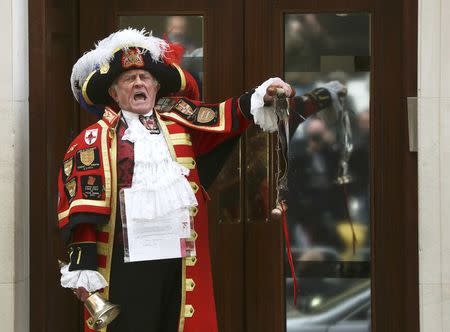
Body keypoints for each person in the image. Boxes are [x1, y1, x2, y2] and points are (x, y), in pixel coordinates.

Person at [57, 28, 345, 332]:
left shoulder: (181, 122)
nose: (139, 83)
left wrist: (263, 95)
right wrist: (83, 262)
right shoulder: (93, 139)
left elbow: (225, 118)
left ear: (157, 87)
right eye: (129, 79)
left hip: (177, 258)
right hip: (124, 263)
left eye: (145, 78)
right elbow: (84, 208)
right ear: (114, 93)